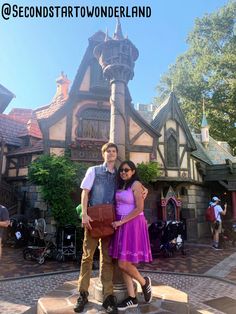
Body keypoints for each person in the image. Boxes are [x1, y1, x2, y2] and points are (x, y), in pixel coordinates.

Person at [74, 143, 147, 314]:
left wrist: (146, 190)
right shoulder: (93, 170)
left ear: (116, 154)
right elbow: (85, 192)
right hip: (93, 219)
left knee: (107, 259)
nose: (111, 153)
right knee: (87, 257)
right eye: (108, 151)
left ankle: (108, 296)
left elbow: (135, 186)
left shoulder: (119, 176)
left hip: (110, 221)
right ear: (103, 154)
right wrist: (84, 214)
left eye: (114, 151)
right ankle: (83, 294)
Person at [109, 160, 153, 311]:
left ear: (133, 171)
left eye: (127, 170)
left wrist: (121, 222)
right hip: (121, 223)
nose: (123, 172)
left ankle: (143, 282)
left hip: (132, 223)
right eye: (121, 170)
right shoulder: (122, 184)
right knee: (125, 264)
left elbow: (139, 208)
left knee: (123, 263)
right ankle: (132, 297)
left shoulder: (136, 184)